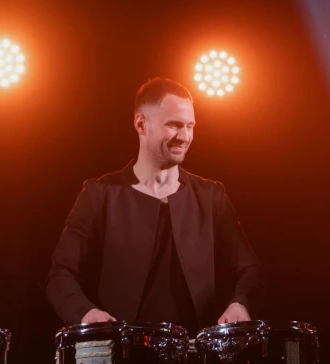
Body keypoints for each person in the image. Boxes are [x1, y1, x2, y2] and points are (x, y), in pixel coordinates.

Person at [45, 78, 264, 335]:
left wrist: (241, 303)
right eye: (174, 125)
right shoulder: (99, 194)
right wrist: (85, 313)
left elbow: (251, 270)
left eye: (190, 126)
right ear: (141, 124)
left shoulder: (211, 196)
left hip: (196, 360)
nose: (184, 136)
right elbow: (60, 274)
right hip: (120, 357)